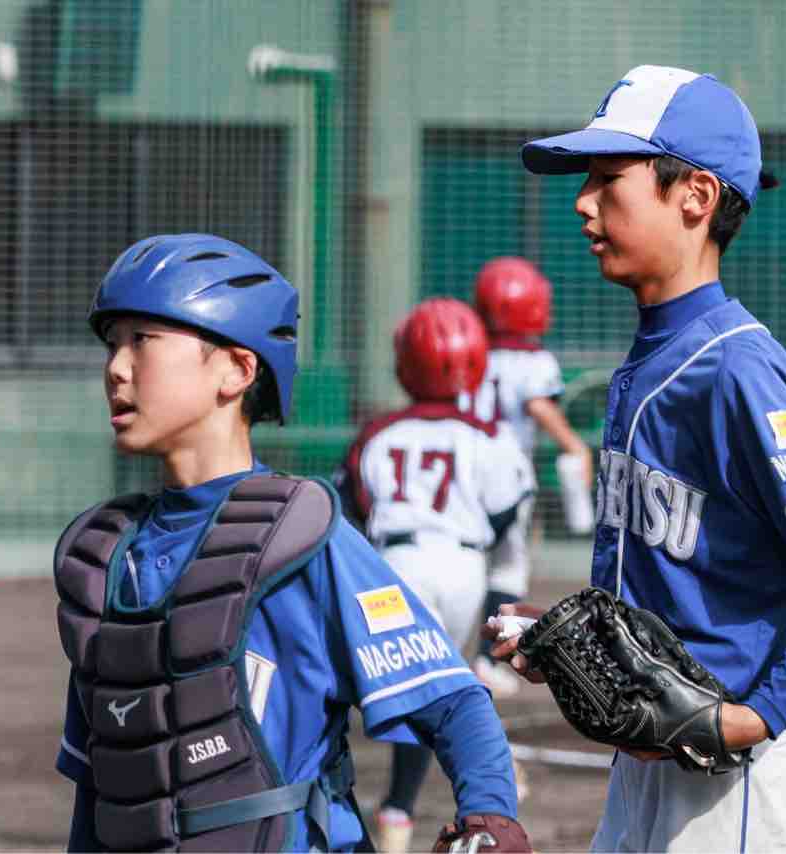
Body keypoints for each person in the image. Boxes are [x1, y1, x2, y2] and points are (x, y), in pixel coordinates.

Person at [483, 64, 786, 851]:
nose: (583, 202)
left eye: (609, 178)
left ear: (696, 196)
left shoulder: (734, 364)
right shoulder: (654, 354)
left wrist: (753, 717)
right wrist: (576, 641)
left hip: (738, 780)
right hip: (654, 767)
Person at [52, 234, 530, 852]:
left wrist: (490, 818)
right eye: (112, 343)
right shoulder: (106, 558)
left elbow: (455, 703)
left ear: (237, 369)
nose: (117, 368)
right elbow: (103, 787)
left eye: (142, 340)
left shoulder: (300, 540)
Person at [334, 298, 534, 852]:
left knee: (404, 687)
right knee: (442, 689)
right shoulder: (489, 436)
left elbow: (348, 511)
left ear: (404, 363)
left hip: (393, 567)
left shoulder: (378, 433)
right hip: (463, 566)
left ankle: (395, 812)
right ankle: (466, 792)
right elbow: (508, 522)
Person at [466, 257, 595, 698]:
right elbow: (539, 405)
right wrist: (575, 446)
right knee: (508, 567)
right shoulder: (535, 360)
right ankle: (488, 659)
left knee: (468, 563)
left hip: (466, 465)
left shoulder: (470, 350)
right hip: (506, 473)